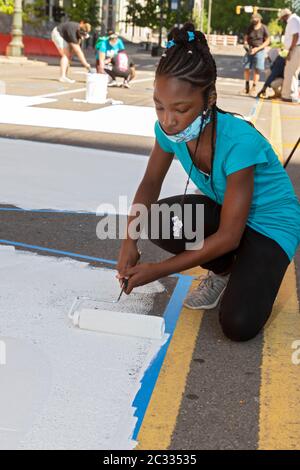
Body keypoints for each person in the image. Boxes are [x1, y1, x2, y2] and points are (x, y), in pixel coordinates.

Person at [116, 23, 300, 342]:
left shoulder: (239, 141)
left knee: (238, 325)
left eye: (181, 109)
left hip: (271, 225)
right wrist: (128, 242)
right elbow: (150, 184)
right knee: (158, 220)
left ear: (209, 98)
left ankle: (249, 268)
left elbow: (229, 236)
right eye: (159, 106)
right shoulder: (168, 132)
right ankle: (225, 271)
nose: (168, 120)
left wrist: (156, 270)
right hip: (228, 212)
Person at [242, 13, 270, 96]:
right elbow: (246, 37)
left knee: (257, 69)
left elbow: (267, 41)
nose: (254, 21)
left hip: (259, 50)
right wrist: (245, 44)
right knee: (246, 68)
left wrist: (257, 49)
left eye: (255, 20)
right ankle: (246, 87)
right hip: (250, 49)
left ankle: (253, 87)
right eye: (253, 20)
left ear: (259, 19)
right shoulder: (250, 27)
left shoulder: (264, 28)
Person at [279, 8, 300, 103]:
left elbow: (296, 35)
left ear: (284, 16)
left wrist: (290, 50)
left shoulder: (292, 20)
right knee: (294, 72)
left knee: (289, 72)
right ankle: (293, 95)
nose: (282, 21)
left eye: (282, 18)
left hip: (296, 48)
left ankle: (287, 95)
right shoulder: (296, 19)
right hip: (296, 47)